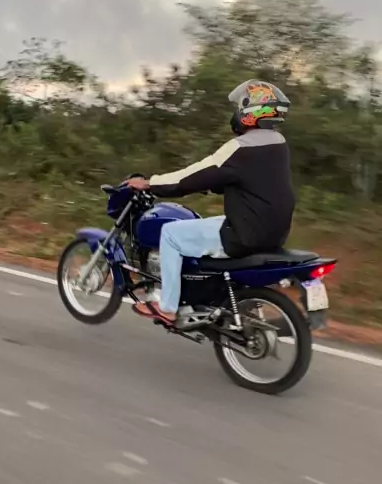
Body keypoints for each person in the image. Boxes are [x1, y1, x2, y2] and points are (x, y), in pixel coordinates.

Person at [126, 79, 295, 325]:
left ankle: (167, 307)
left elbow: (189, 176)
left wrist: (150, 183)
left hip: (244, 234)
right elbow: (254, 179)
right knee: (209, 224)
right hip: (273, 232)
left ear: (251, 111)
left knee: (171, 233)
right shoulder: (278, 143)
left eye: (239, 107)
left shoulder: (240, 147)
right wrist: (217, 185)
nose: (235, 113)